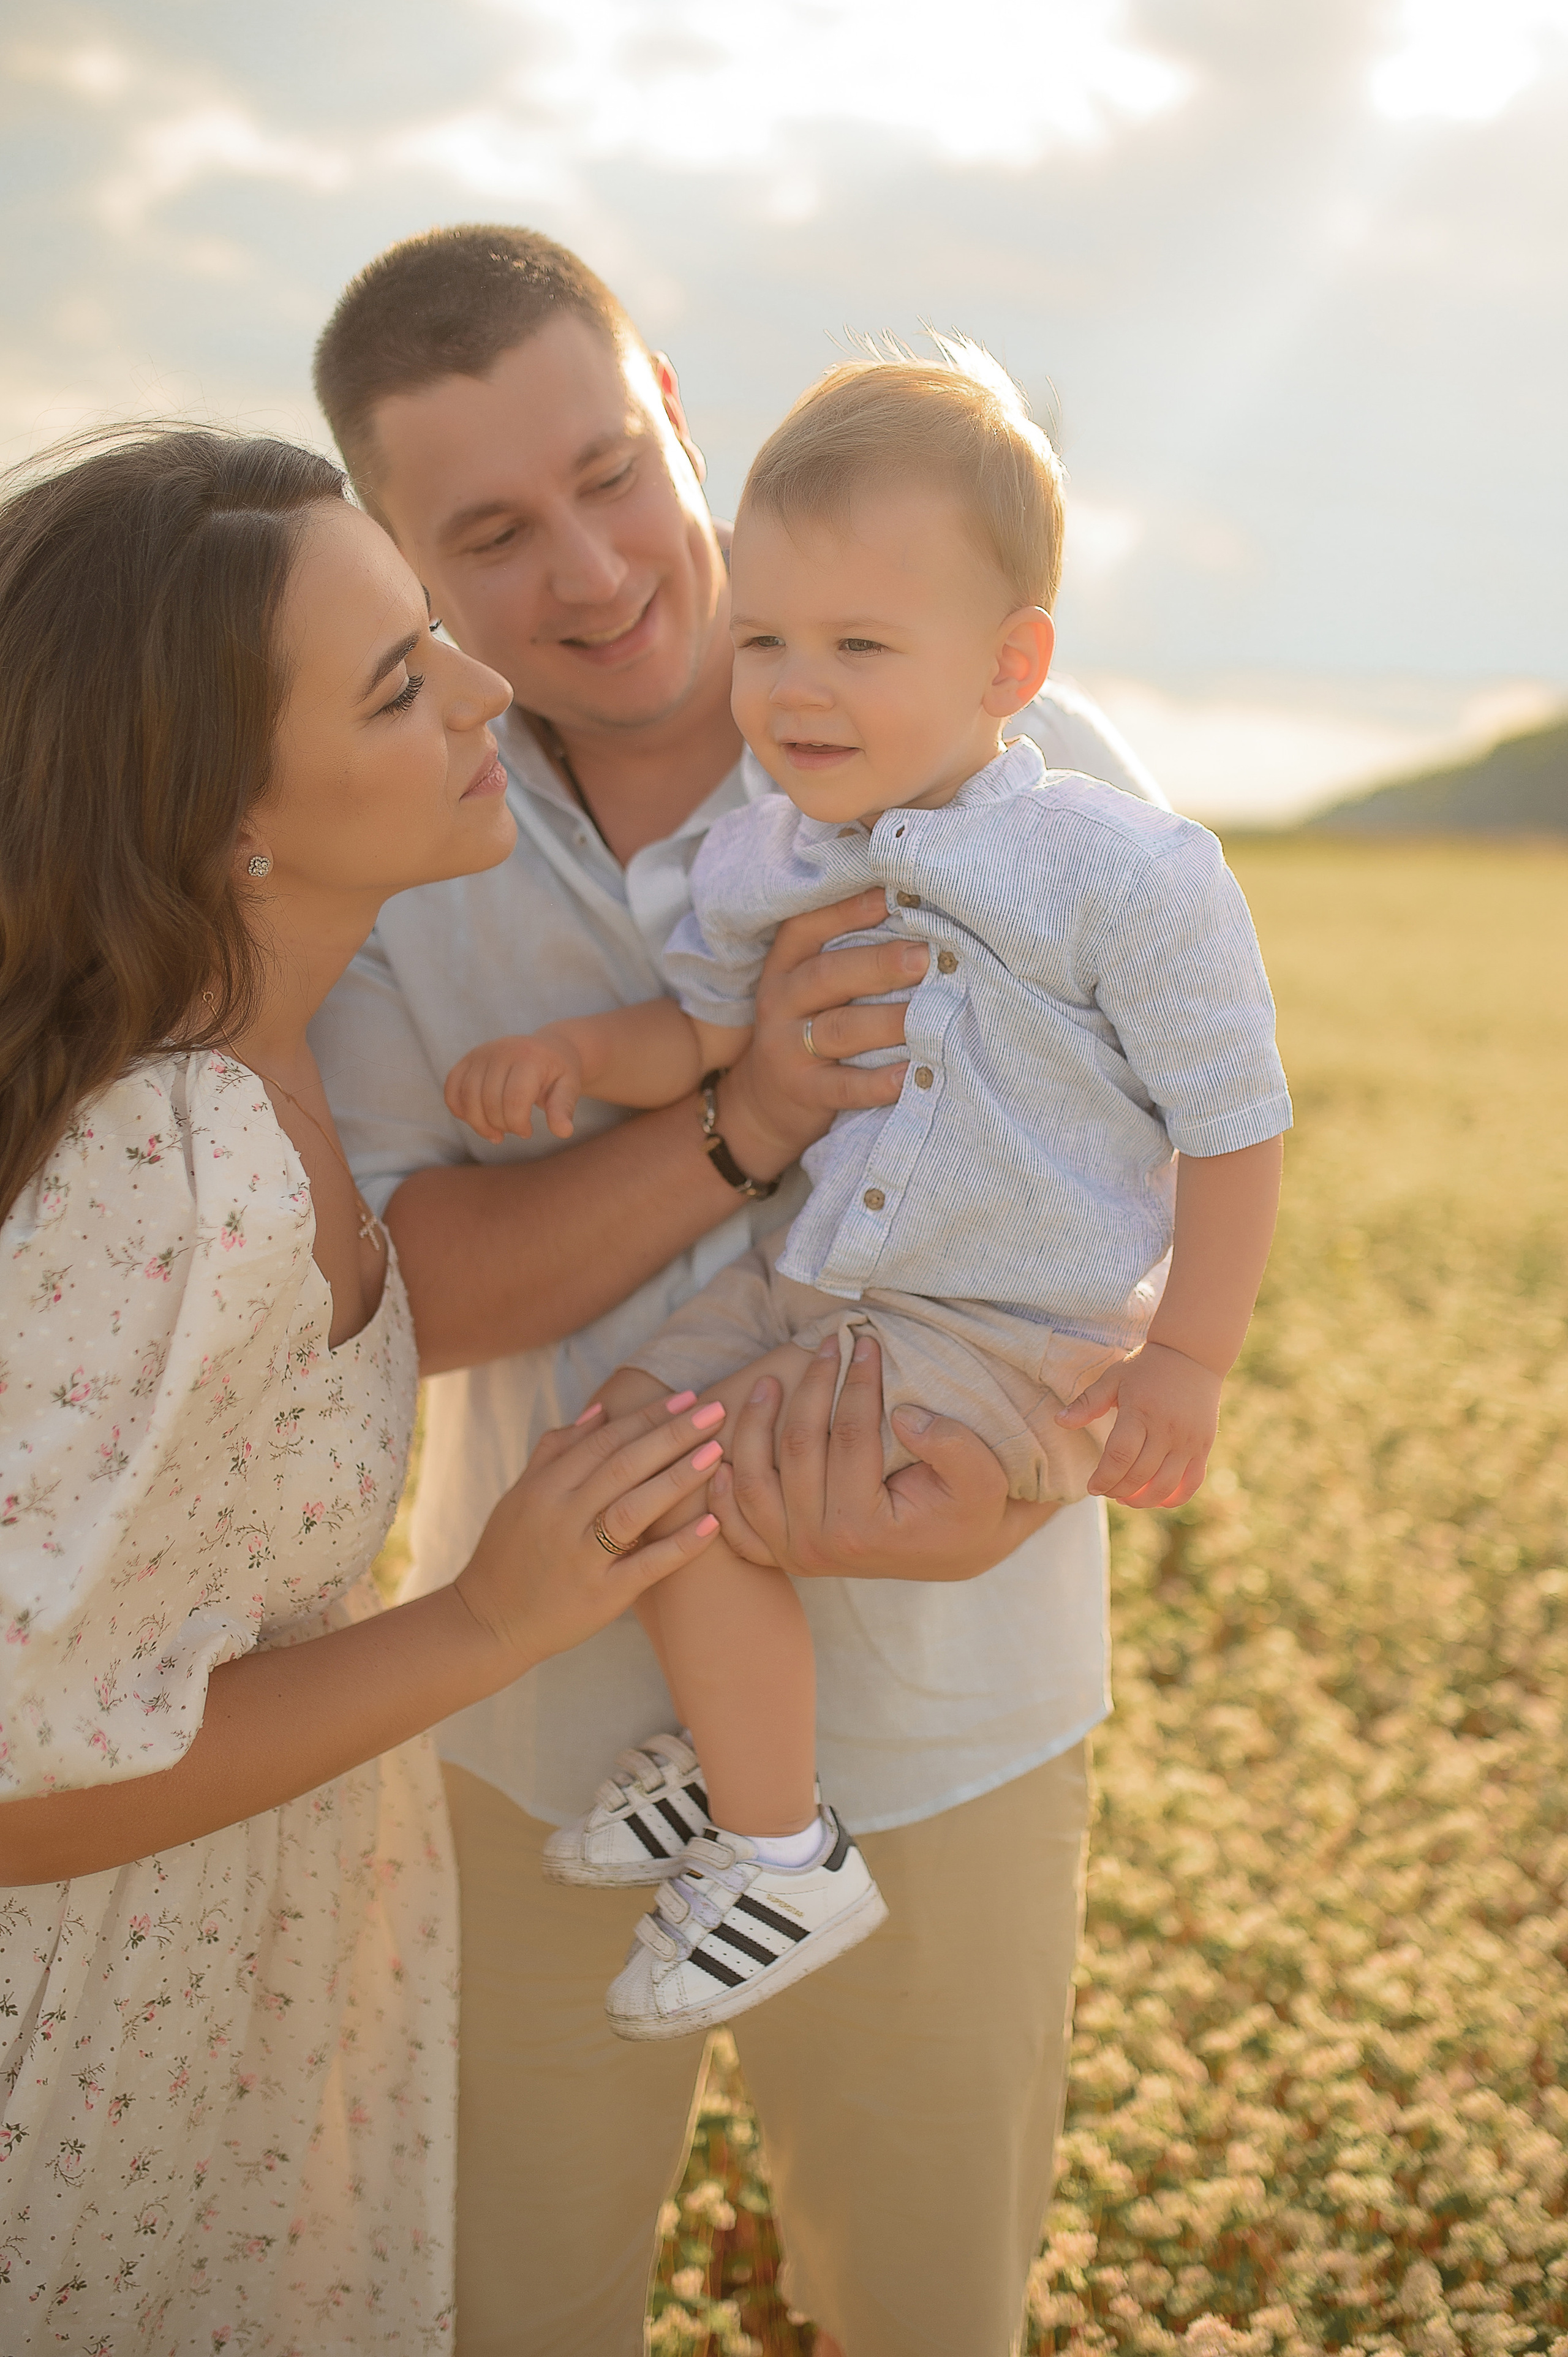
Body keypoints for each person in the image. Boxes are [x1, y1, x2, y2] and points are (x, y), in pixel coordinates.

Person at [309, 225, 1172, 2357]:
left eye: (610, 471)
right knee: (513, 2313)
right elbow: (409, 1278)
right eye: (493, 535)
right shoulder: (397, 826)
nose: (593, 572)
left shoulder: (1013, 738)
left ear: (677, 412)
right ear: (394, 552)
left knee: (925, 2318)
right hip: (542, 1727)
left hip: (952, 1708)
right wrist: (741, 1114)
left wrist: (1048, 1452)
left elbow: (1157, 1181)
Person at [444, 338, 1291, 2043]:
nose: (792, 691)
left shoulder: (1118, 869)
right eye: (763, 640)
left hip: (1011, 1322)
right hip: (832, 1285)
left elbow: (1238, 1121)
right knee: (632, 1436)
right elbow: (700, 1030)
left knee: (723, 1483)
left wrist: (1185, 1363)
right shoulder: (771, 847)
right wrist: (577, 1063)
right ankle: (752, 1778)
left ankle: (774, 1845)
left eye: (857, 647)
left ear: (1011, 666)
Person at [0, 425, 735, 2350]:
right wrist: (494, 1618)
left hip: (229, 1978)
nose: (487, 683)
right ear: (228, 805)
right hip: (75, 2056)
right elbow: (18, 1778)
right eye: (405, 680)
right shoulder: (170, 1159)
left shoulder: (275, 1052)